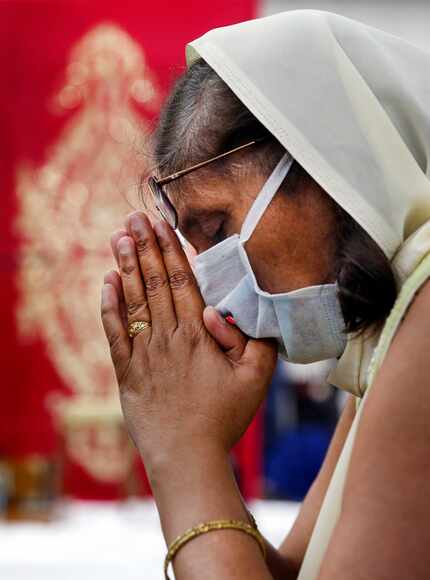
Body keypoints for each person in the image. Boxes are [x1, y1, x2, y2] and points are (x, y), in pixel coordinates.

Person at [100, 10, 430, 580]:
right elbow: (296, 572)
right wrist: (191, 440)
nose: (212, 285)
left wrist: (184, 455)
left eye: (220, 228)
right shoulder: (392, 332)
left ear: (326, 161)